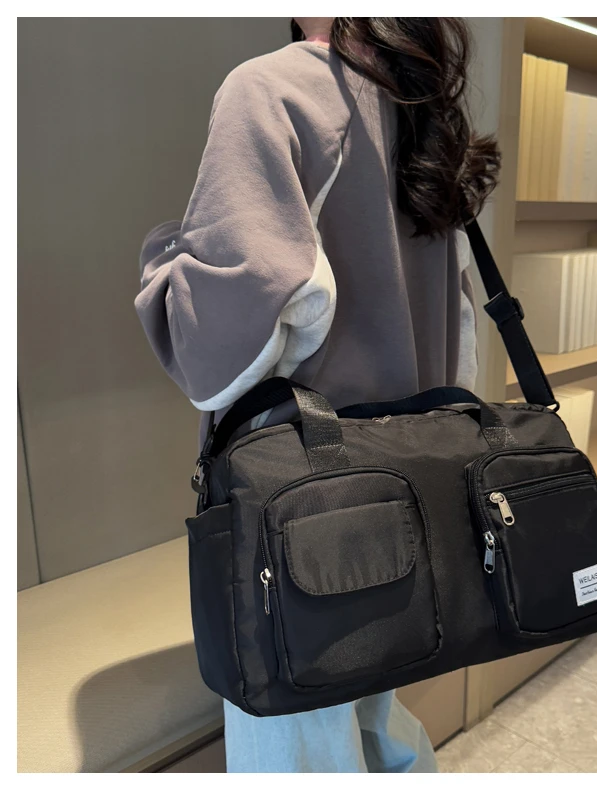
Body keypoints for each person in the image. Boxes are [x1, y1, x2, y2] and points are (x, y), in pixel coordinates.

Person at [134, 16, 500, 773]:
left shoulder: (270, 90)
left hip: (299, 506)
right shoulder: (422, 108)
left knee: (296, 736)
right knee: (374, 714)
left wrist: (164, 260)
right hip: (407, 488)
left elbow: (227, 348)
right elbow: (461, 339)